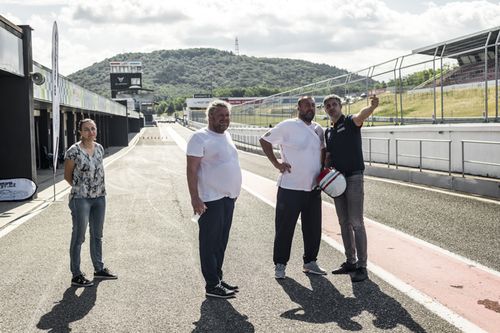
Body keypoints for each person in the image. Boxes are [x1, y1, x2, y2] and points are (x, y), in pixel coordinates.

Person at [259, 96, 327, 279]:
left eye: (313, 105)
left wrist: (324, 175)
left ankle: (310, 262)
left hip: (313, 188)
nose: (310, 108)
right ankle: (280, 264)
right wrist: (276, 163)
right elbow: (264, 141)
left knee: (313, 228)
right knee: (285, 228)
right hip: (290, 187)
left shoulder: (318, 129)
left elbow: (322, 153)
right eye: (306, 105)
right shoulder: (288, 126)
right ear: (298, 107)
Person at [186, 100, 242, 299]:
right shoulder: (199, 137)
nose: (225, 119)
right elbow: (191, 170)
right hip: (210, 199)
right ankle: (211, 285)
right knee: (209, 243)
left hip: (228, 199)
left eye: (227, 116)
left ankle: (217, 278)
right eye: (221, 116)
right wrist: (195, 198)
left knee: (221, 243)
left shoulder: (226, 135)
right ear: (209, 117)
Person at [323, 93, 379, 282]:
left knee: (356, 222)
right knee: (343, 222)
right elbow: (328, 156)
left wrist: (371, 107)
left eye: (334, 104)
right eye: (328, 106)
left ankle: (362, 266)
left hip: (354, 176)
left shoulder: (349, 121)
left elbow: (360, 116)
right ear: (325, 110)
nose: (331, 107)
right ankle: (350, 261)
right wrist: (323, 175)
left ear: (340, 106)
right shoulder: (328, 131)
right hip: (337, 180)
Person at [64, 118, 117, 287]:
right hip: (81, 199)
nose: (90, 132)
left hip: (100, 197)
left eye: (93, 129)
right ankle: (76, 274)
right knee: (79, 237)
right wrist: (82, 189)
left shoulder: (99, 148)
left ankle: (99, 269)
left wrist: (95, 191)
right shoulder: (73, 151)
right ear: (80, 132)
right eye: (86, 129)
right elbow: (67, 175)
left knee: (97, 235)